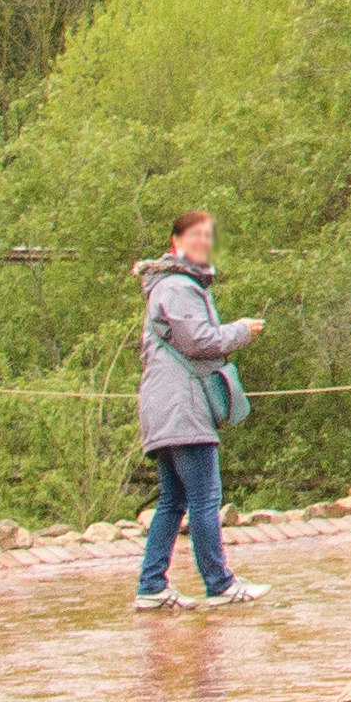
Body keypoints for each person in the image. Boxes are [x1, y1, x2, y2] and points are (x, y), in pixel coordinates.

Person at [132, 206, 258, 606]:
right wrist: (240, 330)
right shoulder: (178, 287)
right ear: (176, 243)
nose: (203, 243)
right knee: (205, 497)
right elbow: (200, 342)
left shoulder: (171, 285)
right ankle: (219, 584)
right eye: (195, 237)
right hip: (181, 407)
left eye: (208, 237)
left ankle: (151, 587)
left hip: (163, 406)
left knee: (173, 500)